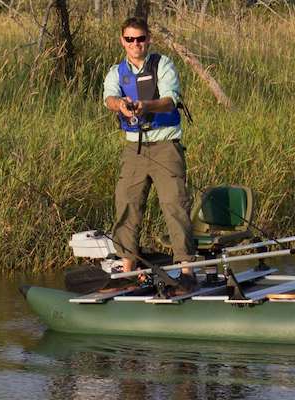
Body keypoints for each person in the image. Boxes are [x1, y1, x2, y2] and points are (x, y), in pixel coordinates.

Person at [103, 17, 197, 289]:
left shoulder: (163, 65)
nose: (136, 44)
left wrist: (146, 105)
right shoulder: (116, 72)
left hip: (166, 146)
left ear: (148, 39)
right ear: (123, 41)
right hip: (134, 148)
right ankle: (128, 270)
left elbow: (170, 100)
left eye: (140, 39)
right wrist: (121, 104)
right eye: (130, 39)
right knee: (127, 204)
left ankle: (187, 270)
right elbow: (109, 97)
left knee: (174, 205)